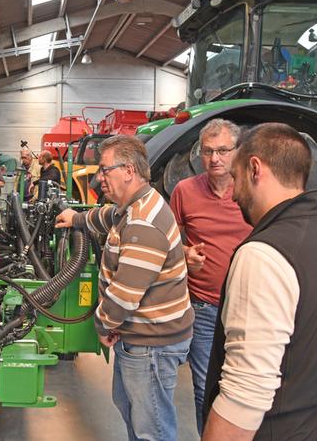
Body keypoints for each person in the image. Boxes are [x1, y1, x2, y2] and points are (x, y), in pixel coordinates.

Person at [202, 123, 317, 441]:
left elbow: (244, 398)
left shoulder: (262, 254)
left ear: (255, 168)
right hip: (315, 430)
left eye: (235, 177)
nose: (232, 193)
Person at [55, 134, 193, 441]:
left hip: (151, 343)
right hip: (140, 337)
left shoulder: (143, 221)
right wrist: (77, 218)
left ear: (129, 170)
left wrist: (103, 324)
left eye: (105, 169)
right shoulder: (133, 204)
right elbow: (109, 217)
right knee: (132, 410)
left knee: (151, 428)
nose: (99, 177)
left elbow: (124, 295)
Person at [168, 119, 252, 435]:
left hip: (248, 307)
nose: (214, 159)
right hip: (203, 308)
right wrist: (184, 254)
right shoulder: (185, 191)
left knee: (249, 387)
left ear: (238, 151)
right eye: (207, 151)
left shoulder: (252, 189)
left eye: (222, 150)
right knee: (205, 387)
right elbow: (171, 238)